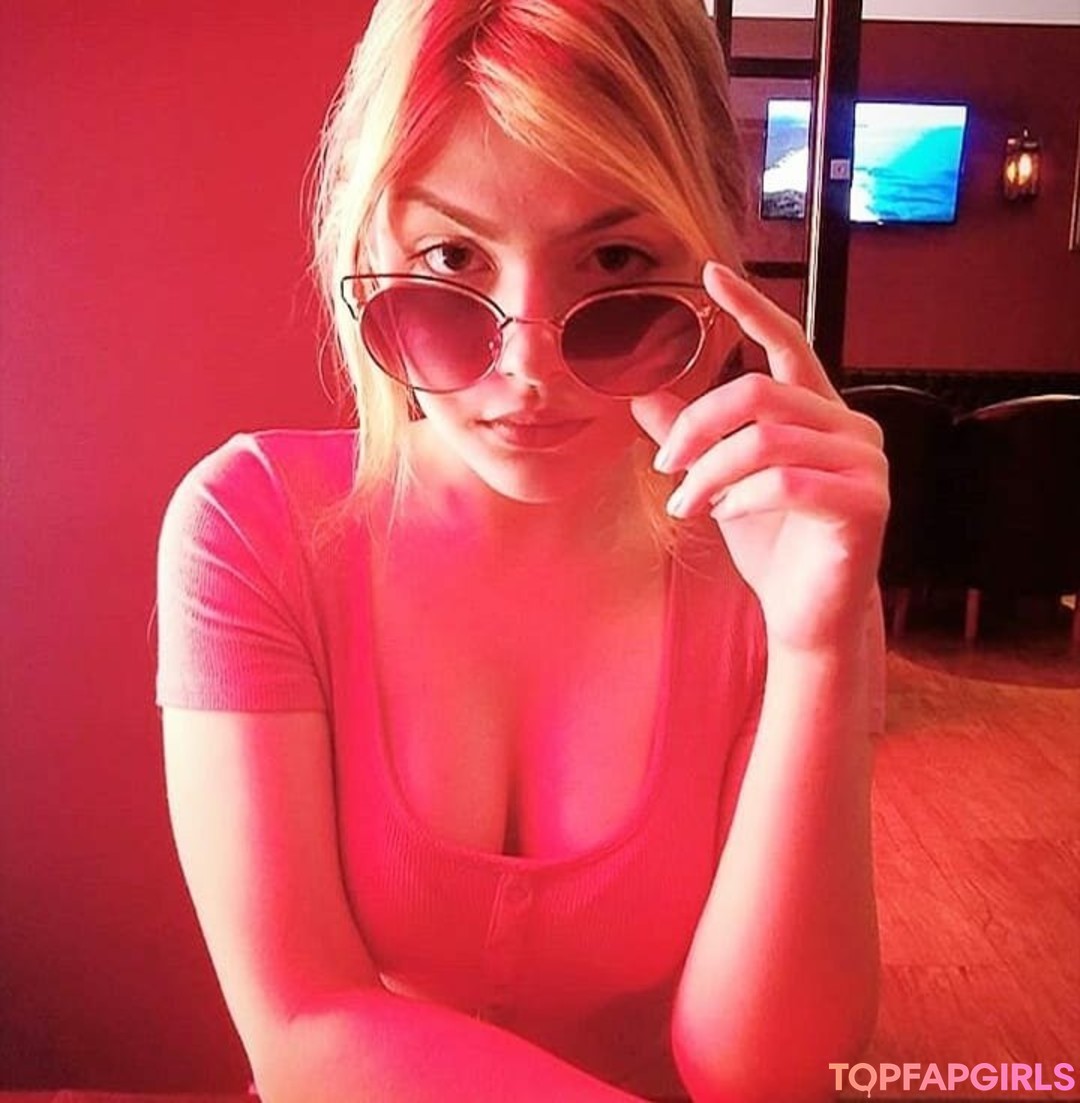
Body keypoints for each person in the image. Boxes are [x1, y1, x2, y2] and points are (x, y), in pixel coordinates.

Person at [156, 1, 888, 1101]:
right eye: (452, 256)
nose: (530, 366)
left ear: (710, 258)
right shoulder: (253, 528)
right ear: (368, 246)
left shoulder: (779, 555)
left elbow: (770, 1075)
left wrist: (816, 649)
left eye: (614, 258)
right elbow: (304, 1024)